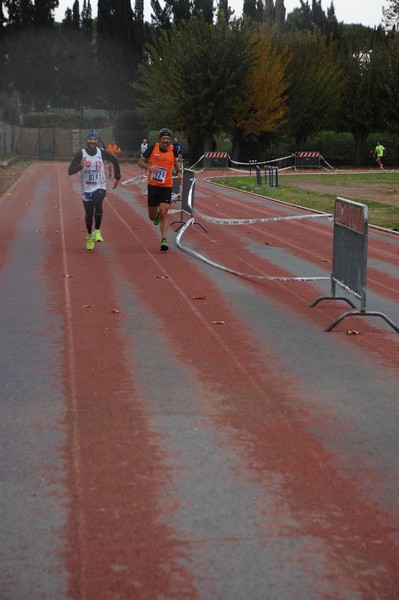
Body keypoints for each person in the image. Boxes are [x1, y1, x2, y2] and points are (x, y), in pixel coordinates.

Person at [68, 129, 121, 251]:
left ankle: (97, 231)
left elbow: (115, 160)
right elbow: (70, 171)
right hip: (86, 188)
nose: (92, 141)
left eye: (94, 139)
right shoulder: (80, 154)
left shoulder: (101, 153)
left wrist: (117, 177)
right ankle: (89, 235)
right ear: (87, 140)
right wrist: (80, 166)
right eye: (90, 139)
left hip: (99, 186)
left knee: (98, 202)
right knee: (89, 215)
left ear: (97, 141)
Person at [137, 128, 182, 252]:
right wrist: (149, 167)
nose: (166, 141)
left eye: (168, 139)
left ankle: (164, 239)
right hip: (153, 186)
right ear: (160, 139)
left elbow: (175, 162)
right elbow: (140, 162)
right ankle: (155, 216)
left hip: (166, 186)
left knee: (164, 211)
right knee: (152, 216)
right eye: (164, 138)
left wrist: (178, 172)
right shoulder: (152, 148)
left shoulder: (173, 150)